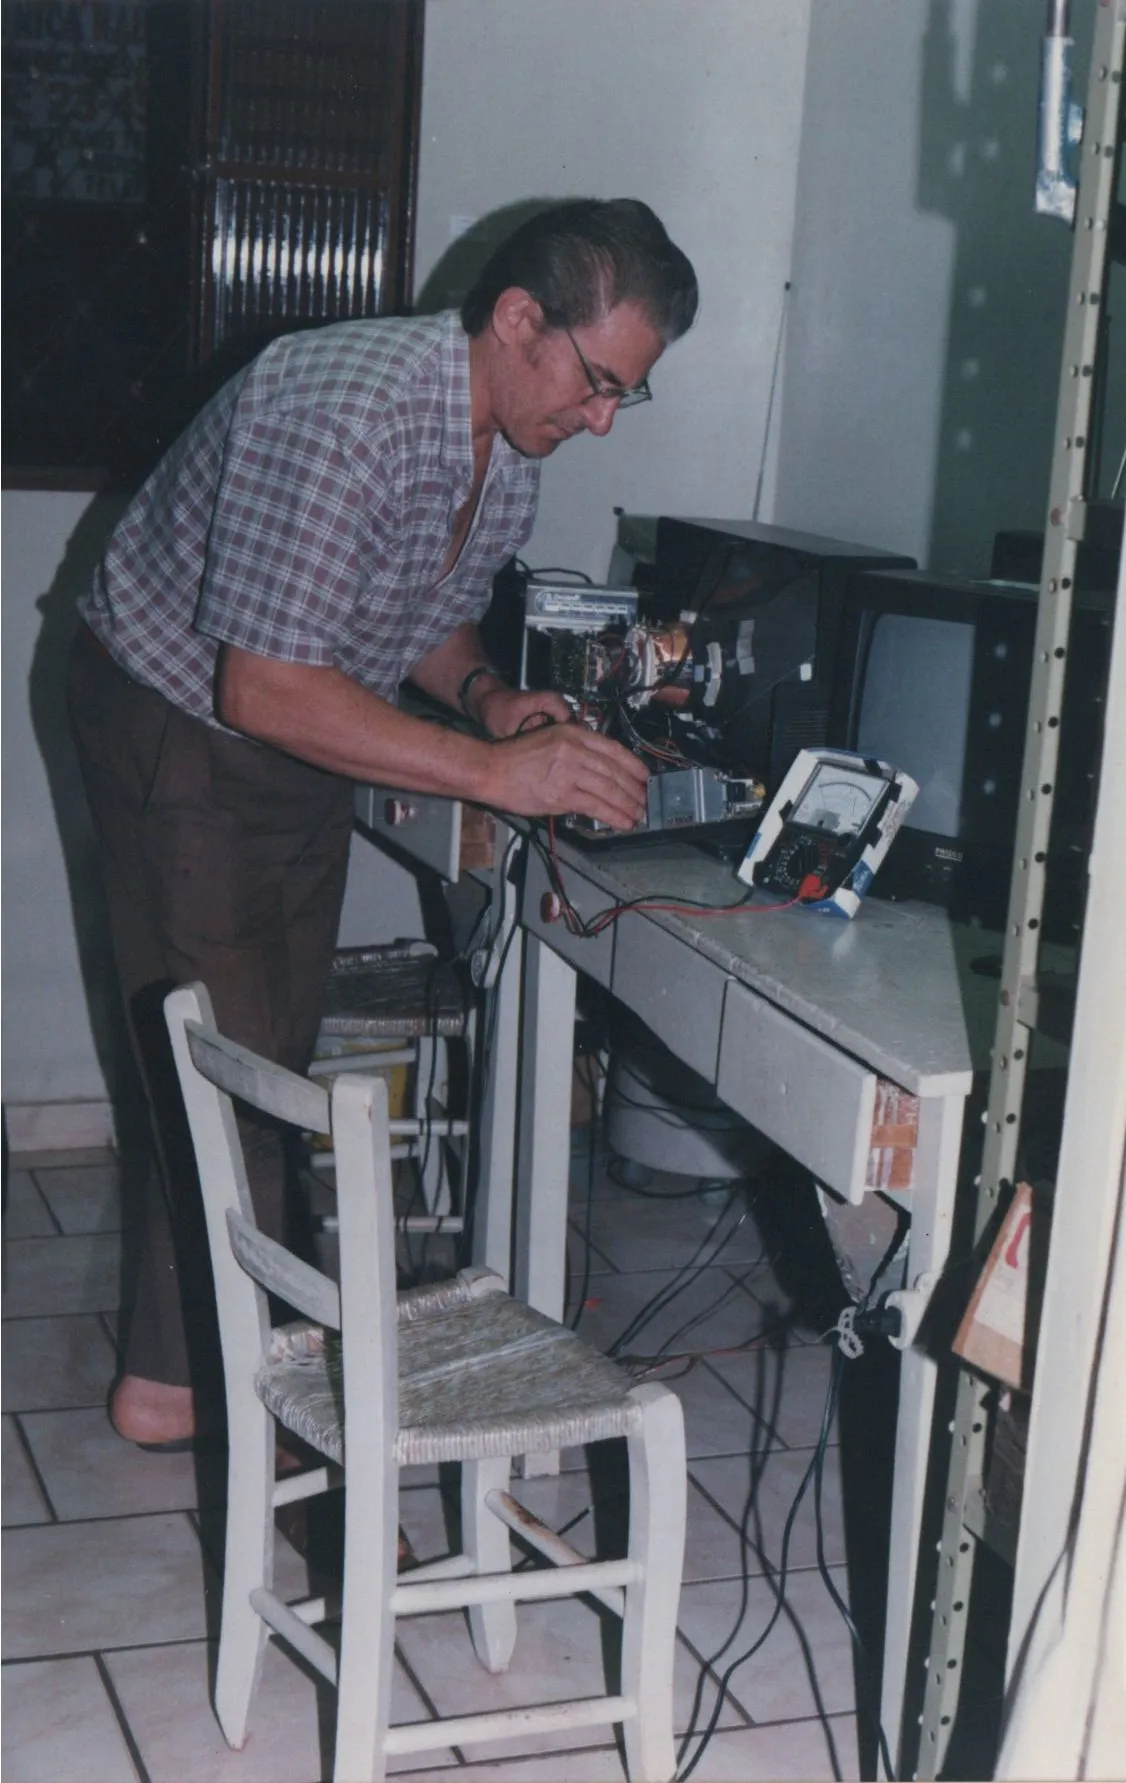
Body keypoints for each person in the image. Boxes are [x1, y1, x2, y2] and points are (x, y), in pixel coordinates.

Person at [67, 197, 699, 1449]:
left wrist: (487, 698)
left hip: (289, 718)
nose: (603, 419)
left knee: (265, 1053)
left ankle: (169, 1381)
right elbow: (260, 687)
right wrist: (491, 773)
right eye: (598, 383)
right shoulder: (340, 409)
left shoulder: (502, 443)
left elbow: (416, 606)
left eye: (627, 394)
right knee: (239, 1074)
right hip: (175, 713)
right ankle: (258, 1422)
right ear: (517, 319)